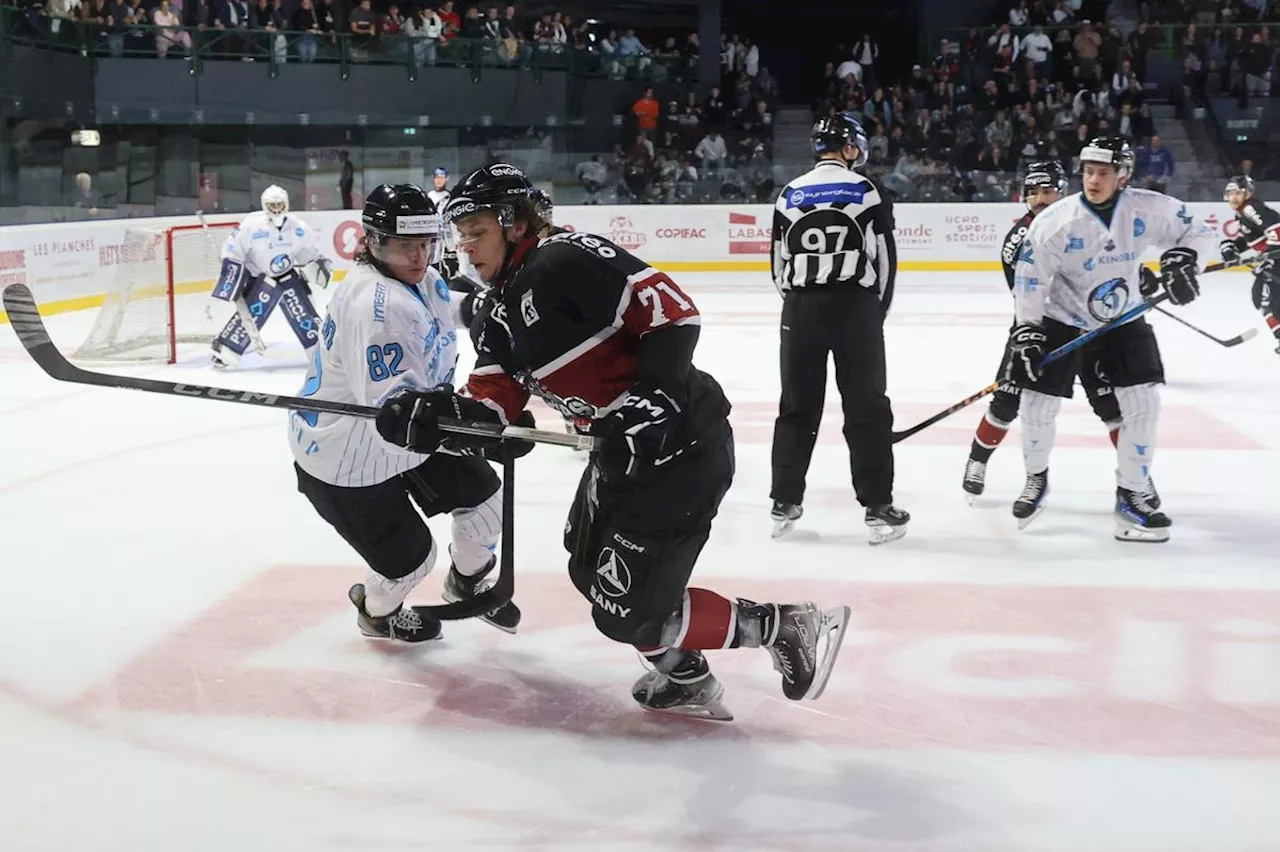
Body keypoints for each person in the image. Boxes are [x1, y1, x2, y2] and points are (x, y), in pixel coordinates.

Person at [374, 163, 851, 721]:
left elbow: (672, 310)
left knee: (625, 611)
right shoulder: (500, 313)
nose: (467, 248)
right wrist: (436, 417)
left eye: (476, 231)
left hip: (682, 449)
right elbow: (493, 403)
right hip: (619, 455)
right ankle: (685, 677)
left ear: (512, 222)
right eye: (462, 236)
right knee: (588, 569)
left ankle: (783, 625)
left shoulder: (564, 258)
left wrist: (654, 397)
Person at [289, 183, 520, 642]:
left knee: (485, 503)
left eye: (425, 245)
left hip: (404, 432)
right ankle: (377, 614)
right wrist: (485, 428)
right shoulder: (379, 309)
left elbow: (438, 304)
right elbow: (402, 413)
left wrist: (475, 308)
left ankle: (466, 582)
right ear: (375, 243)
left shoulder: (415, 277)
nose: (418, 257)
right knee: (411, 562)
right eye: (403, 246)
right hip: (348, 458)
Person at [1007, 137, 1218, 542]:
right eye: (1088, 171)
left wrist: (1183, 259)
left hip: (1123, 316)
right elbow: (1030, 280)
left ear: (1124, 175)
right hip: (1063, 319)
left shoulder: (1148, 207)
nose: (1093, 180)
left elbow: (1199, 231)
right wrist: (1028, 330)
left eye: (1104, 172)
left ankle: (1132, 493)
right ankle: (1036, 478)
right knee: (1037, 406)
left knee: (1144, 404)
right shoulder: (1054, 221)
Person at [963, 161, 1158, 505]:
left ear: (1062, 190)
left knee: (1110, 406)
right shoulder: (1021, 239)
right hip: (1043, 331)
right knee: (1007, 402)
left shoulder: (1088, 221)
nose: (1040, 198)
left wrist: (1137, 280)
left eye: (1047, 190)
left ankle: (1137, 477)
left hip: (1099, 330)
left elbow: (1116, 262)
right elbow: (1029, 295)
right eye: (1033, 192)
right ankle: (977, 462)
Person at [767, 111, 909, 544]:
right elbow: (884, 260)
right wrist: (872, 313)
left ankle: (784, 500)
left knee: (796, 406)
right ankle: (877, 507)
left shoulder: (788, 193)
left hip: (800, 310)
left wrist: (800, 305)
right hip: (855, 309)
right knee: (867, 407)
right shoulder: (867, 191)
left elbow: (778, 265)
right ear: (849, 146)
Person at [210, 185, 333, 370]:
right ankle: (225, 352)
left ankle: (320, 353)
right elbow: (232, 249)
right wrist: (233, 272)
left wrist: (317, 267)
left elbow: (309, 254)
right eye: (272, 205)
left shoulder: (299, 228)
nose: (276, 209)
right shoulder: (252, 225)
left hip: (287, 275)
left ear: (287, 204)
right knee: (252, 313)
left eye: (280, 204)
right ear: (264, 205)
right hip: (258, 278)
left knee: (303, 314)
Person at [1220, 174, 1280, 357]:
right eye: (1230, 193)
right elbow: (1253, 237)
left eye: (1238, 193)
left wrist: (1269, 260)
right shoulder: (1244, 212)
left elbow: (1276, 230)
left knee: (1264, 299)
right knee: (1262, 298)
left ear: (1248, 194)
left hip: (1277, 259)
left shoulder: (1250, 208)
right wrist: (1232, 246)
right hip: (1276, 259)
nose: (1233, 197)